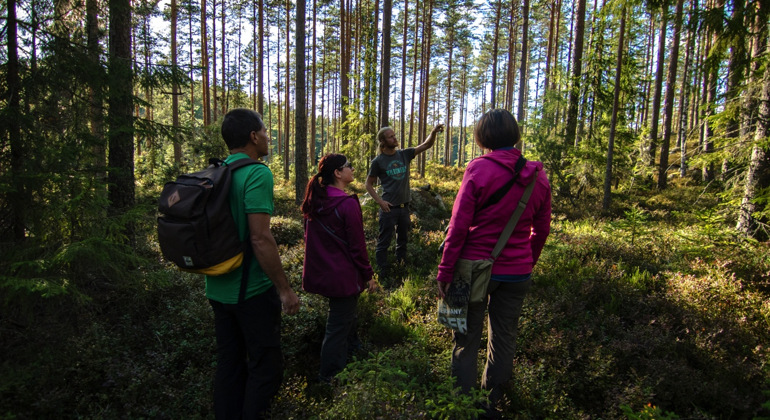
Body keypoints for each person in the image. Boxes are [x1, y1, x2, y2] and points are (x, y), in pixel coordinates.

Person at [436, 109, 551, 417]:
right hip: (517, 273)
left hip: (472, 269)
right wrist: (527, 261)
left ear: (483, 137)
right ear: (514, 135)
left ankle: (462, 405)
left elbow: (459, 226)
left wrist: (445, 271)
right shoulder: (538, 175)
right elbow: (542, 229)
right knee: (504, 339)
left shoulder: (478, 169)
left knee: (466, 337)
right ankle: (491, 405)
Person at [206, 108, 300, 419]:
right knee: (265, 367)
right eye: (264, 130)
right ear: (252, 136)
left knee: (230, 366)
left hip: (217, 289)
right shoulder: (257, 173)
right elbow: (260, 238)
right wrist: (285, 290)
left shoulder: (217, 172)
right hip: (252, 291)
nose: (268, 136)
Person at [301, 154, 377, 383]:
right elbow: (358, 247)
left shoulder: (316, 201)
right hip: (343, 276)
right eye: (348, 166)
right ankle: (329, 376)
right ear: (337, 173)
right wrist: (368, 275)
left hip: (323, 274)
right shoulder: (346, 204)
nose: (353, 169)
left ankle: (354, 349)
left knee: (345, 316)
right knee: (337, 325)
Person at [365, 123, 444, 281]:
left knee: (403, 240)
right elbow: (368, 184)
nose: (395, 138)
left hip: (404, 207)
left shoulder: (404, 154)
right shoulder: (378, 161)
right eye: (391, 137)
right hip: (388, 209)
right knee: (384, 242)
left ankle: (401, 269)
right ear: (383, 141)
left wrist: (433, 132)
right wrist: (380, 202)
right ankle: (383, 274)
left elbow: (426, 145)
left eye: (394, 135)